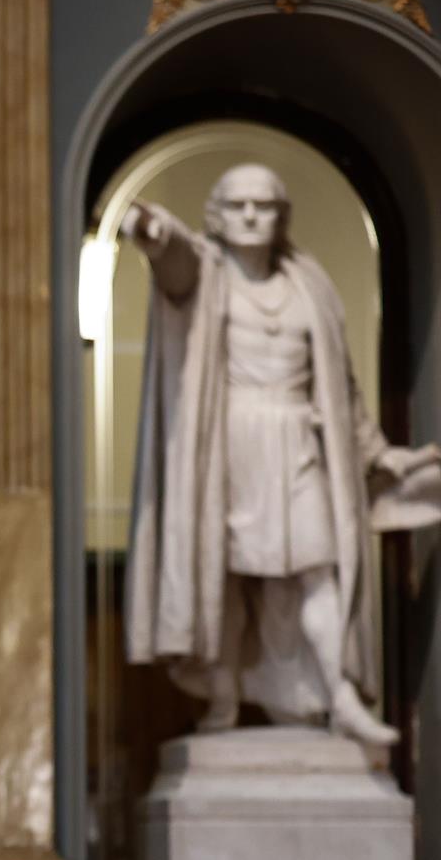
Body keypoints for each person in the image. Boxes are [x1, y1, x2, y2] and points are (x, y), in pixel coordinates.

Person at [122, 163, 438, 746]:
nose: (249, 215)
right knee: (227, 576)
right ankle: (222, 698)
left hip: (298, 442)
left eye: (263, 205)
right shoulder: (207, 275)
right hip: (230, 447)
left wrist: (377, 452)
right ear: (216, 214)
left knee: (320, 570)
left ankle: (340, 696)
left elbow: (339, 388)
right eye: (237, 204)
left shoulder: (308, 286)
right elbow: (175, 263)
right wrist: (156, 235)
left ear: (280, 216)